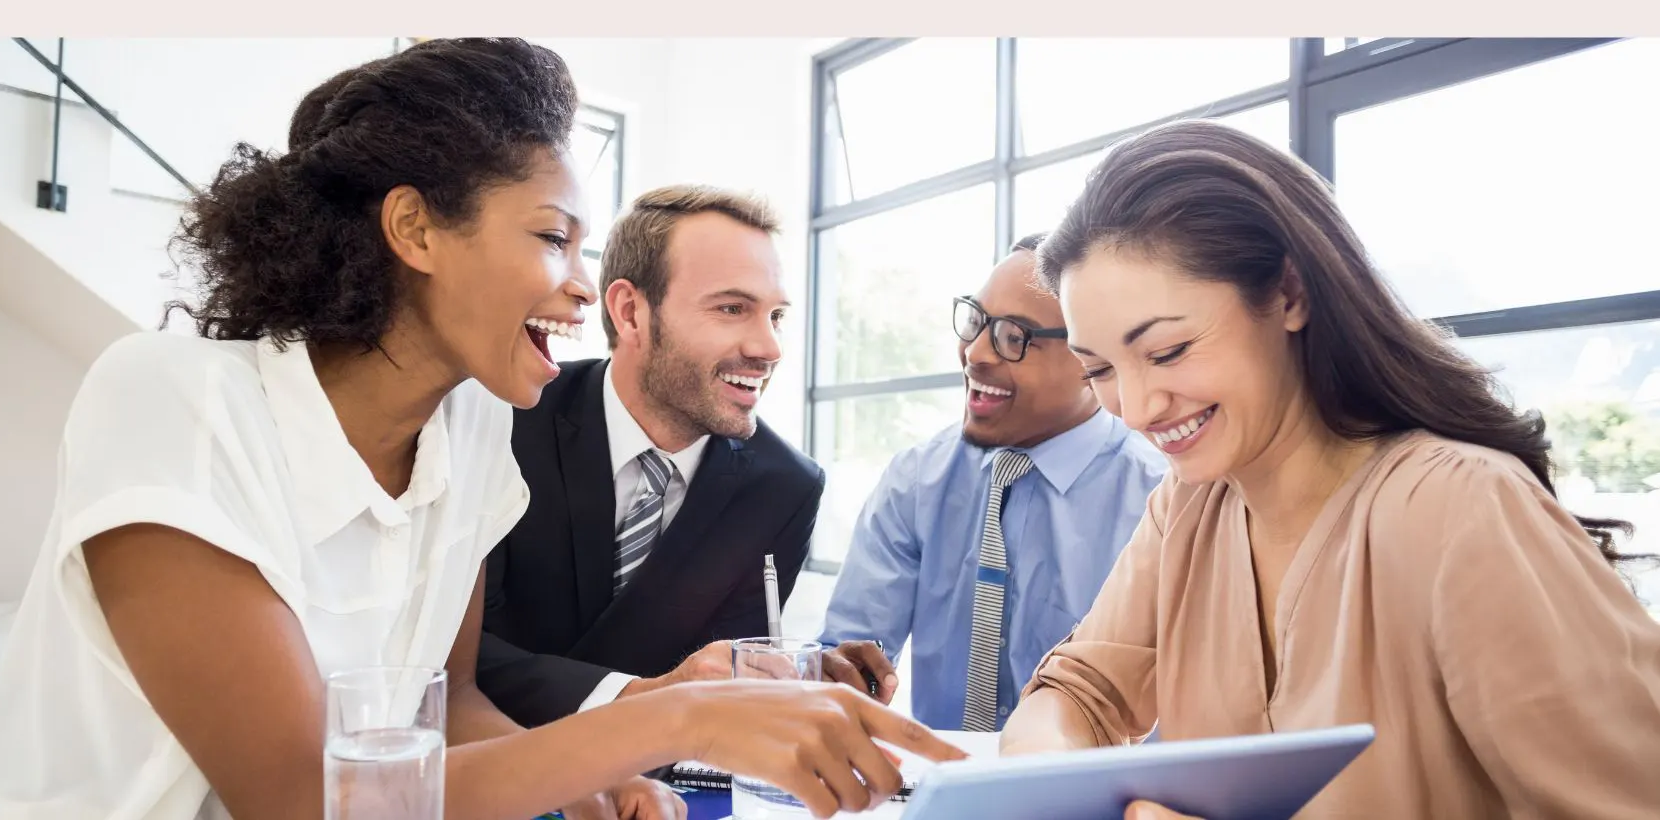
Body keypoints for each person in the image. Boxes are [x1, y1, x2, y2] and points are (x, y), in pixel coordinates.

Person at [0, 39, 958, 820]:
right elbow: (296, 797)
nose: (582, 287)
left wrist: (590, 783)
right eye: (550, 238)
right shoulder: (172, 397)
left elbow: (446, 702)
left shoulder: (467, 432)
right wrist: (669, 717)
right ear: (413, 229)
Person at [1003, 118, 1660, 818]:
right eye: (1098, 368)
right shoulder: (1189, 510)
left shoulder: (1462, 508)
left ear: (1289, 295)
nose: (1134, 408)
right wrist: (1055, 780)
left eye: (1166, 351)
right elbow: (1080, 693)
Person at [478, 185, 893, 729]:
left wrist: (800, 671)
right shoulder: (503, 423)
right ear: (630, 313)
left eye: (776, 316)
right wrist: (639, 695)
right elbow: (451, 656)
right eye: (732, 308)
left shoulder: (785, 488)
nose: (769, 348)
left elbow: (725, 679)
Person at [815, 235, 1168, 732]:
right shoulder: (917, 480)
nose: (975, 352)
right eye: (976, 321)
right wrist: (840, 677)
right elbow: (847, 655)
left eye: (1013, 336)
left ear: (1093, 360)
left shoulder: (1163, 499)